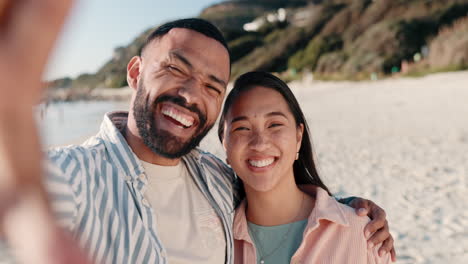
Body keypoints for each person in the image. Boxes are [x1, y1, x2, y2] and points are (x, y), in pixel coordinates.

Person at [0, 1, 395, 262]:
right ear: (135, 73)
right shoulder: (72, 175)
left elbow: (275, 190)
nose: (191, 95)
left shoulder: (218, 180)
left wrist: (349, 209)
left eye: (211, 86)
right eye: (175, 69)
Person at [218, 71, 391, 264]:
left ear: (298, 138)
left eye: (274, 124)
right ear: (225, 144)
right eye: (242, 128)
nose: (259, 143)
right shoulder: (214, 242)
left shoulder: (362, 235)